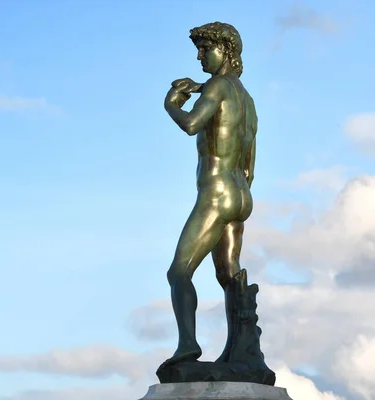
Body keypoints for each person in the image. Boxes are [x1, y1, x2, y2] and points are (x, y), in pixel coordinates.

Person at [163, 22, 257, 364]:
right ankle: (242, 350)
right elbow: (250, 165)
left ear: (226, 51)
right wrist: (202, 86)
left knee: (179, 272)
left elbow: (191, 124)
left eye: (206, 49)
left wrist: (171, 104)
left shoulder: (217, 87)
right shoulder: (246, 98)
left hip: (216, 192)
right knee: (228, 274)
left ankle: (187, 345)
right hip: (241, 195)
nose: (200, 56)